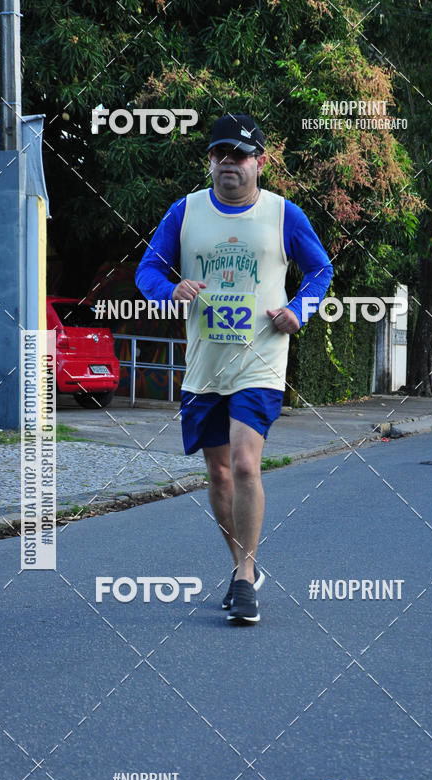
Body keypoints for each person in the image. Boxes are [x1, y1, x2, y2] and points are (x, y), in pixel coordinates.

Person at [136, 112, 333, 624]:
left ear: (260, 163)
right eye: (221, 154)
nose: (230, 163)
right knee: (219, 473)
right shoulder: (185, 211)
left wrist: (300, 310)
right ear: (210, 162)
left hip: (261, 359)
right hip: (205, 364)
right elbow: (148, 269)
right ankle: (239, 565)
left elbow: (320, 270)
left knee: (246, 464)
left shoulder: (284, 214)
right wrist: (169, 291)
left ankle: (245, 577)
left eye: (241, 155)